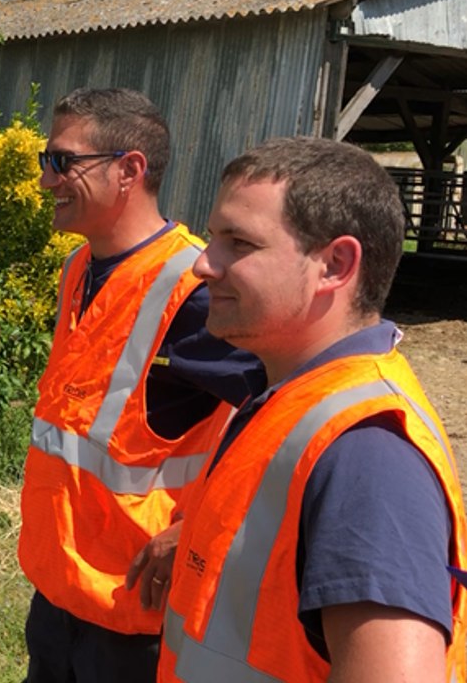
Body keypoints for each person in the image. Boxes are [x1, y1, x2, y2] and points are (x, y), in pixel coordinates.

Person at [158, 136, 467, 682]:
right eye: (212, 238)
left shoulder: (369, 458)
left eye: (240, 243)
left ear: (335, 264)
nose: (203, 265)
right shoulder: (287, 395)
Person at [18, 87, 256, 683]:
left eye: (62, 162)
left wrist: (197, 527)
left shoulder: (194, 289)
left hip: (136, 619)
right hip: (60, 591)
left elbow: (284, 420)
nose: (48, 181)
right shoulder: (79, 268)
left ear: (130, 170)